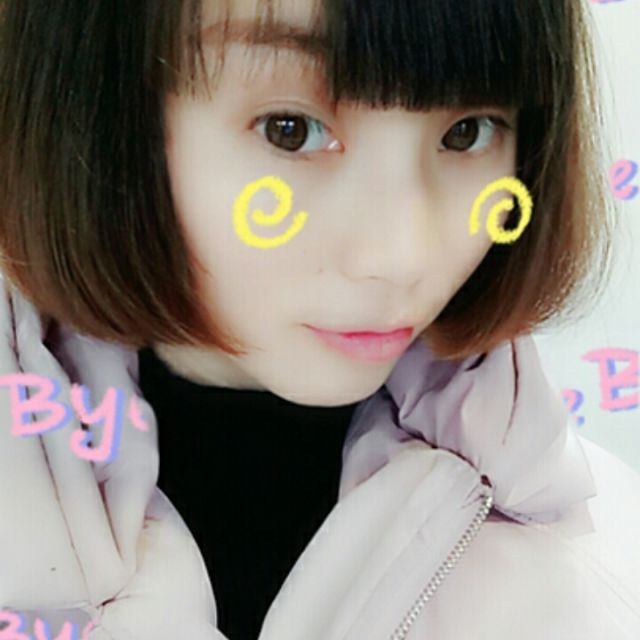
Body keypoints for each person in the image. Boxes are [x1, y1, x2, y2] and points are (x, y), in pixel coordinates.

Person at [0, 0, 638, 638]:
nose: (401, 257)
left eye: (467, 133)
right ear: (97, 111)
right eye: (290, 130)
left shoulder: (602, 568)